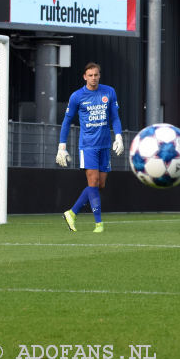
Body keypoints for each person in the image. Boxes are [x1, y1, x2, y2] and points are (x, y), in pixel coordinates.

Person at [57, 62, 124, 234]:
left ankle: (71, 212)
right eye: (90, 75)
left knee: (100, 185)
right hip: (88, 145)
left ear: (99, 75)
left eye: (96, 75)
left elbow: (115, 118)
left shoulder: (109, 92)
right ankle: (99, 224)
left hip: (105, 145)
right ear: (84, 77)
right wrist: (62, 146)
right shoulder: (77, 96)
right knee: (93, 182)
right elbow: (66, 121)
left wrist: (118, 136)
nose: (93, 78)